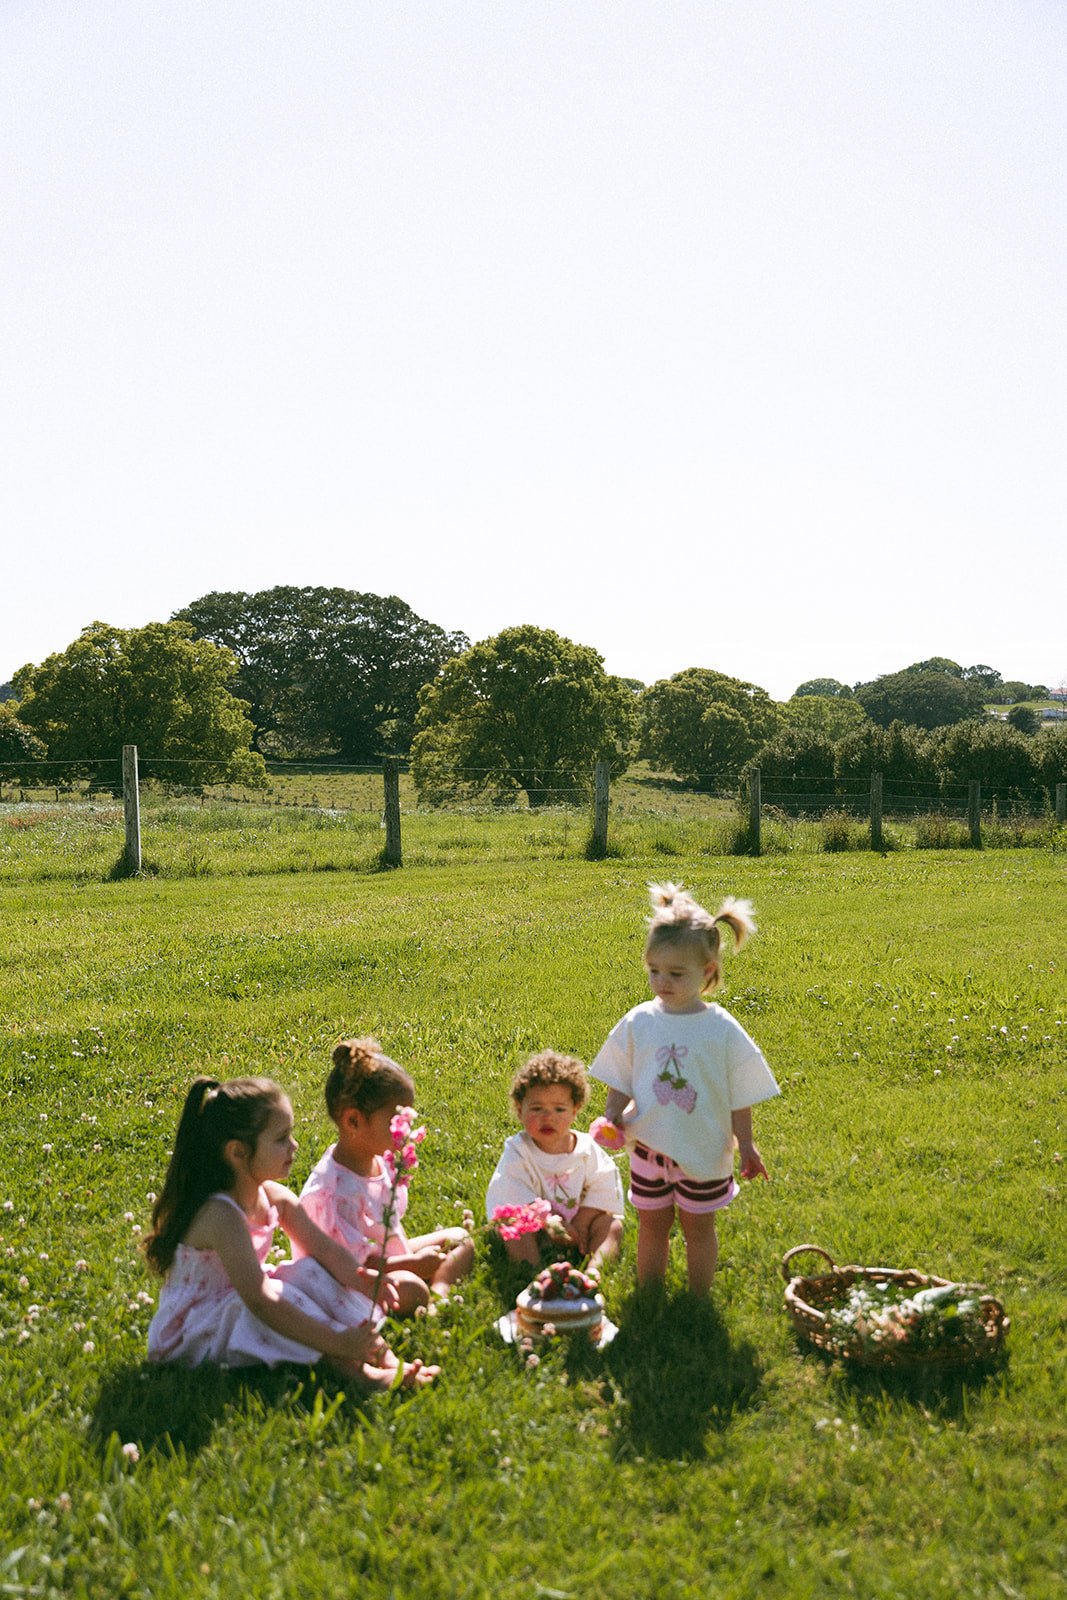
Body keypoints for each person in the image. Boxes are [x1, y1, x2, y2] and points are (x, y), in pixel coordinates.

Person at [144, 1075, 437, 1389]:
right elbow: (260, 1301)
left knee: (309, 1272)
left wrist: (360, 1279)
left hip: (242, 1300)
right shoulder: (220, 1215)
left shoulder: (272, 1196)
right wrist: (335, 1340)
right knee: (280, 1304)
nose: (294, 1146)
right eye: (281, 1138)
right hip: (198, 1330)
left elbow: (324, 1250)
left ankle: (382, 1355)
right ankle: (358, 1371)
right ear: (238, 1153)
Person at [590, 883, 779, 1294]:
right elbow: (620, 1074)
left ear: (707, 971)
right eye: (654, 970)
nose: (662, 981)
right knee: (652, 1225)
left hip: (704, 1148)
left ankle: (697, 1298)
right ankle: (650, 1293)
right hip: (648, 1147)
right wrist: (610, 1115)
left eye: (676, 974)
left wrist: (746, 1145)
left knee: (698, 1227)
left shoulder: (720, 1029)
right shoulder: (640, 1021)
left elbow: (740, 1095)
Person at [294, 1037, 473, 1315]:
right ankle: (427, 1290)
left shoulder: (381, 1160)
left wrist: (411, 1261)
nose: (405, 1127)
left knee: (460, 1238)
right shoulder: (331, 1193)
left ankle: (440, 1290)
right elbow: (354, 1268)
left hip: (388, 1259)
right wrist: (412, 1266)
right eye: (396, 1120)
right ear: (353, 1121)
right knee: (412, 1289)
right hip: (345, 1283)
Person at [485, 1050, 624, 1272]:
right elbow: (511, 1195)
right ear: (520, 1110)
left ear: (575, 1111)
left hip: (581, 1226)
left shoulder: (586, 1149)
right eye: (537, 1108)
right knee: (513, 1226)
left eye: (559, 1109)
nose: (547, 1117)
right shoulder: (518, 1151)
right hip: (537, 1228)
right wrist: (549, 1223)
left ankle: (593, 1271)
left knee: (611, 1225)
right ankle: (534, 1272)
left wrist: (581, 1222)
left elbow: (605, 1186)